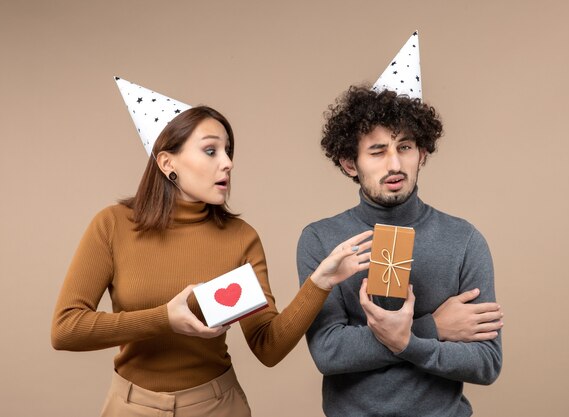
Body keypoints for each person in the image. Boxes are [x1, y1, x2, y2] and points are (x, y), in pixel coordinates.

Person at [51, 105, 372, 417]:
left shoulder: (240, 238)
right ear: (167, 162)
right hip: (131, 405)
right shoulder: (112, 225)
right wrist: (164, 318)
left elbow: (268, 346)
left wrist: (320, 283)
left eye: (228, 151)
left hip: (217, 405)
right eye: (210, 151)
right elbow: (66, 329)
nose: (228, 163)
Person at [297, 86, 503, 416]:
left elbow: (486, 363)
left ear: (421, 153)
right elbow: (328, 352)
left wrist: (405, 341)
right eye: (377, 152)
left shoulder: (464, 239)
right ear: (351, 163)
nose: (394, 164)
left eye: (404, 147)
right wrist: (431, 329)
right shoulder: (322, 240)